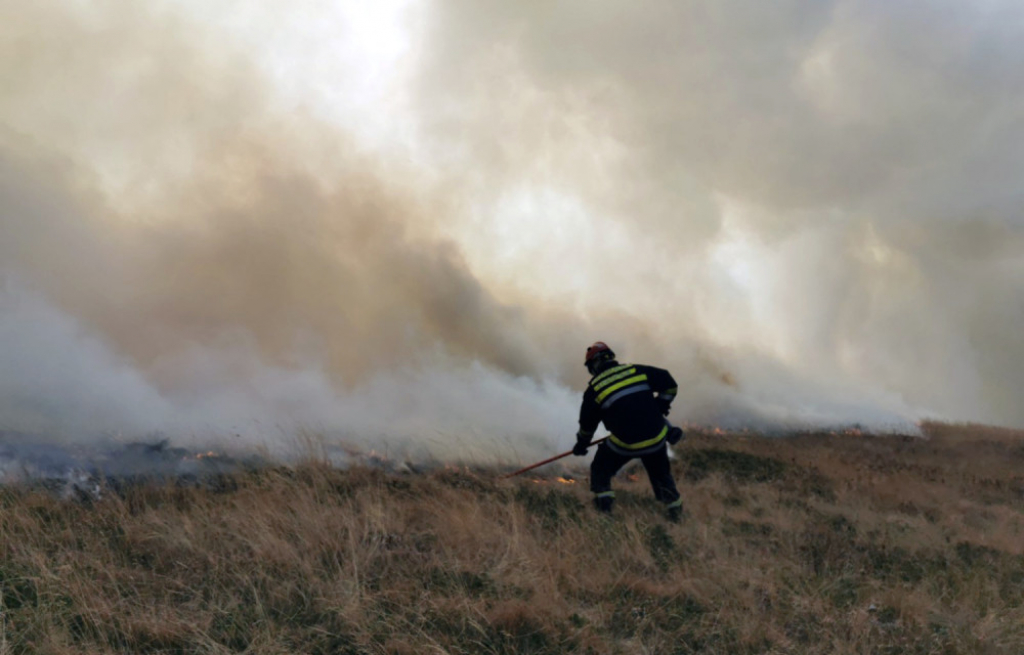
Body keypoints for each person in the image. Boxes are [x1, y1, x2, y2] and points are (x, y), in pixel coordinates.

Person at [573, 341, 685, 521]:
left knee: (600, 469)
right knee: (662, 477)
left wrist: (581, 445)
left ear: (594, 365)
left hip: (625, 443)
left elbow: (587, 425)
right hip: (656, 439)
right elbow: (670, 384)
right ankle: (676, 516)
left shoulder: (594, 390)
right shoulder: (636, 370)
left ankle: (604, 514)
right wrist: (661, 406)